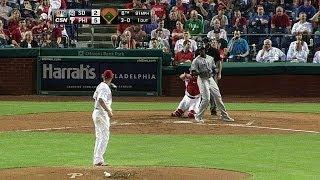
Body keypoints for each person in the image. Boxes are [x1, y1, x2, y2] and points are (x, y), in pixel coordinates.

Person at [191, 45, 234, 123]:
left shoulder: (210, 58)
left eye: (203, 50)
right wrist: (200, 72)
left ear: (205, 50)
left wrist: (216, 70)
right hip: (202, 80)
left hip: (210, 79)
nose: (201, 51)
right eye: (200, 50)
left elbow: (214, 68)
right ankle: (198, 116)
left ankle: (224, 116)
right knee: (206, 99)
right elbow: (193, 72)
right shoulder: (196, 60)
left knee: (218, 97)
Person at [92, 69, 114, 166]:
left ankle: (97, 159)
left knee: (99, 136)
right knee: (104, 136)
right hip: (101, 113)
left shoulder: (100, 85)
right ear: (111, 77)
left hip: (96, 112)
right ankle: (98, 159)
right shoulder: (104, 87)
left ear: (103, 76)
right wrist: (108, 110)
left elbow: (95, 97)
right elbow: (101, 99)